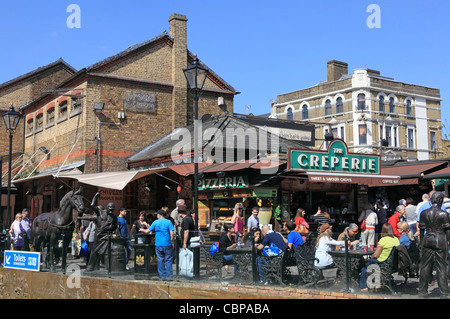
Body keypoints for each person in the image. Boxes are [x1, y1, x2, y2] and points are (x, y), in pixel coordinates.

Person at [418, 191, 450, 298]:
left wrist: (421, 243)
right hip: (440, 239)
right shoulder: (443, 214)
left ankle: (422, 291)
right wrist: (448, 242)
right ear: (440, 200)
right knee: (442, 267)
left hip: (427, 239)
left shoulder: (424, 213)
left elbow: (421, 230)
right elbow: (447, 231)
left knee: (425, 266)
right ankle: (444, 293)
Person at [82, 193, 118, 272]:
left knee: (108, 252)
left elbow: (115, 227)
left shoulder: (114, 217)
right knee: (94, 251)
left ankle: (108, 267)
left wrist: (110, 229)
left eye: (112, 210)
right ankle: (91, 266)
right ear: (107, 208)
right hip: (99, 236)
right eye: (110, 209)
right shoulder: (100, 212)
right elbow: (92, 205)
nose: (111, 211)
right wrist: (95, 196)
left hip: (107, 235)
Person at [359, 223, 400, 291]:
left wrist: (370, 257)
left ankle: (364, 286)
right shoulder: (396, 239)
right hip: (392, 264)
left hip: (382, 262)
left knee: (364, 265)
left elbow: (376, 255)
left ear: (383, 230)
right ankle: (376, 285)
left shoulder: (383, 240)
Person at [141, 209, 175, 280]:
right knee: (168, 260)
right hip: (167, 244)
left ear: (159, 215)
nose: (156, 216)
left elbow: (147, 231)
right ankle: (169, 276)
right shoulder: (168, 222)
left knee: (160, 260)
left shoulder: (155, 222)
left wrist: (142, 230)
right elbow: (172, 233)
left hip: (158, 244)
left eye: (157, 214)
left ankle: (162, 276)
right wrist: (172, 242)